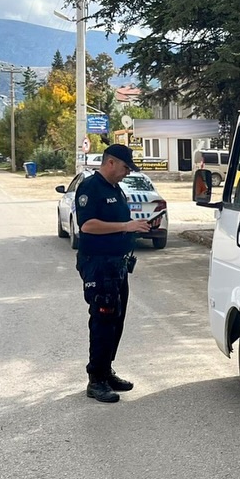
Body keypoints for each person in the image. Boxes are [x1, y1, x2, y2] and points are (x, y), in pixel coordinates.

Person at [75, 144, 151, 403]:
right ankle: (96, 379)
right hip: (98, 263)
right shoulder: (91, 187)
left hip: (116, 264)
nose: (127, 173)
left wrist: (134, 228)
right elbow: (87, 225)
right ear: (111, 162)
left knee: (116, 319)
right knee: (102, 318)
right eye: (125, 167)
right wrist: (126, 226)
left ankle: (106, 371)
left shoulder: (115, 188)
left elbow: (118, 223)